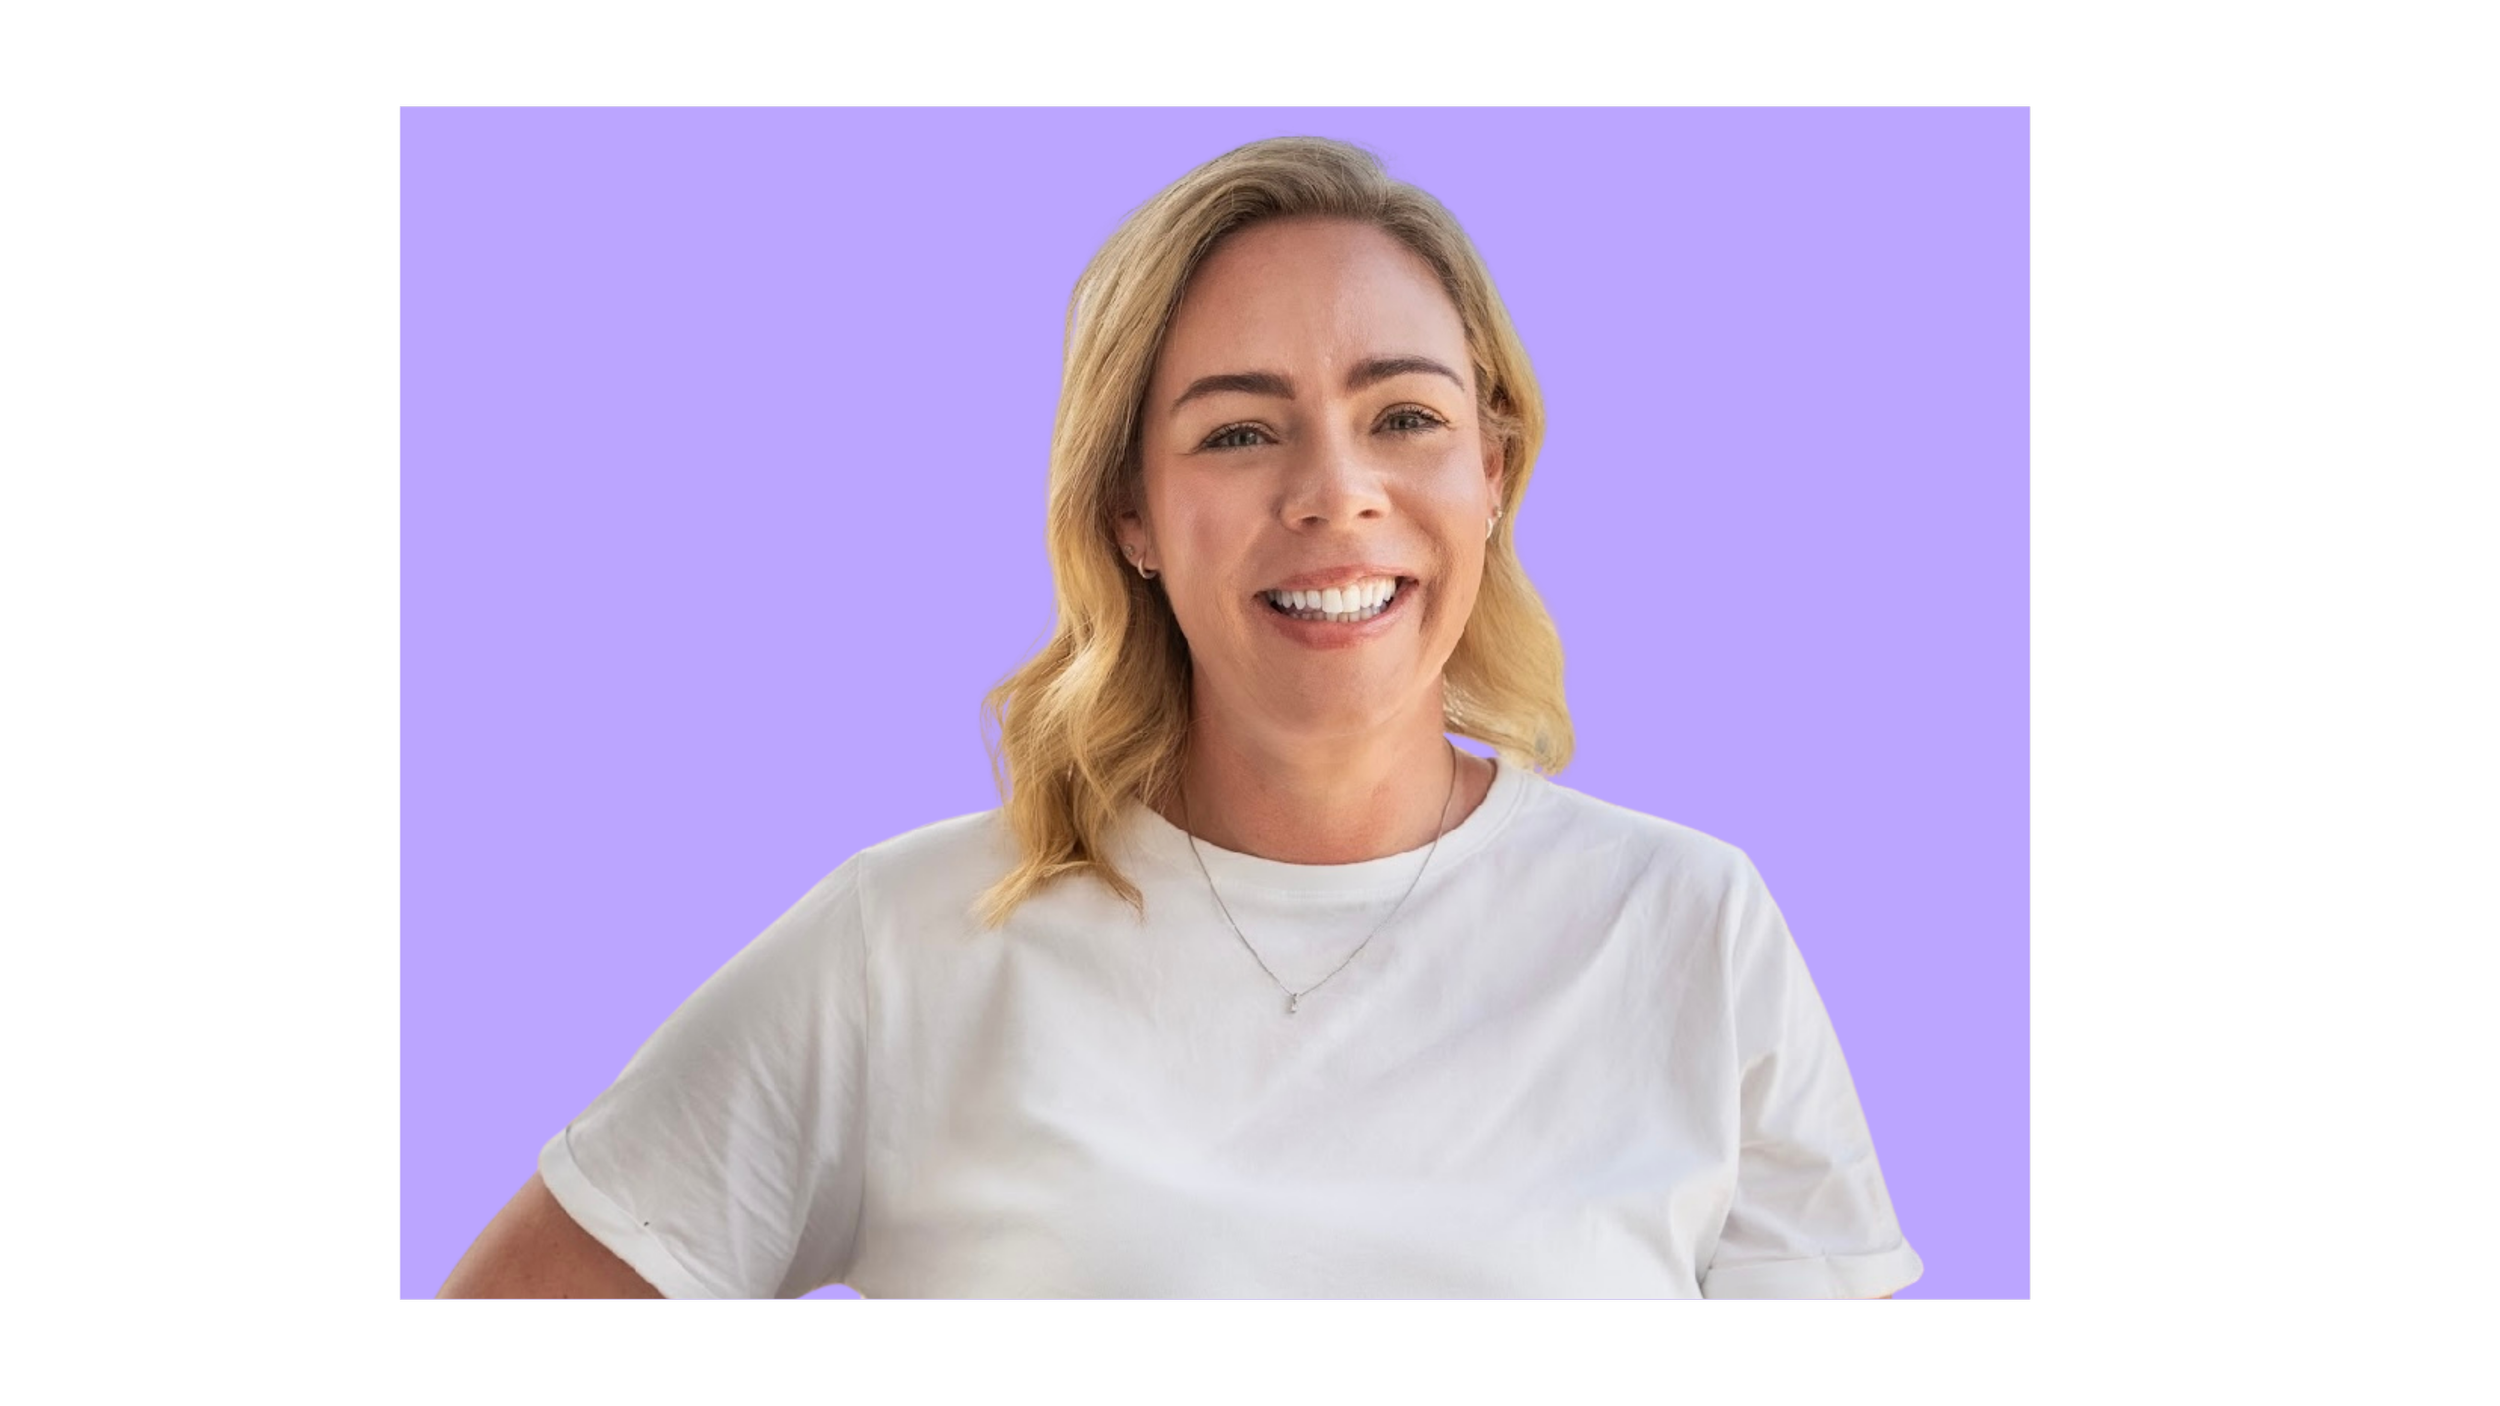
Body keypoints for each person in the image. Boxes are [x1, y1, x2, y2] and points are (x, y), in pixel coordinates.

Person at [439, 136, 1921, 1300]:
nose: (1334, 491)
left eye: (1405, 416)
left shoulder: (1689, 929)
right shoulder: (907, 948)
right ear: (1132, 513)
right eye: (1238, 430)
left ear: (1495, 468)